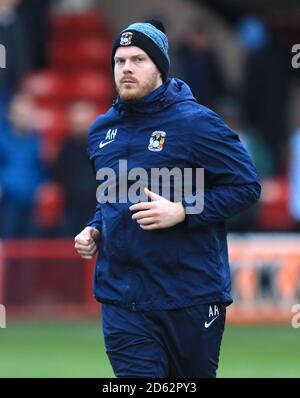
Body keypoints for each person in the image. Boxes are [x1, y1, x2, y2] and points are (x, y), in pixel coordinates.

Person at [74, 20, 261, 378]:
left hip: (189, 296)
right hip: (122, 299)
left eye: (139, 59)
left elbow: (246, 186)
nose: (126, 68)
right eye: (119, 60)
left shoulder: (197, 124)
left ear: (160, 66)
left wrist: (183, 210)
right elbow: (111, 196)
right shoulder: (101, 130)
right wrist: (95, 227)